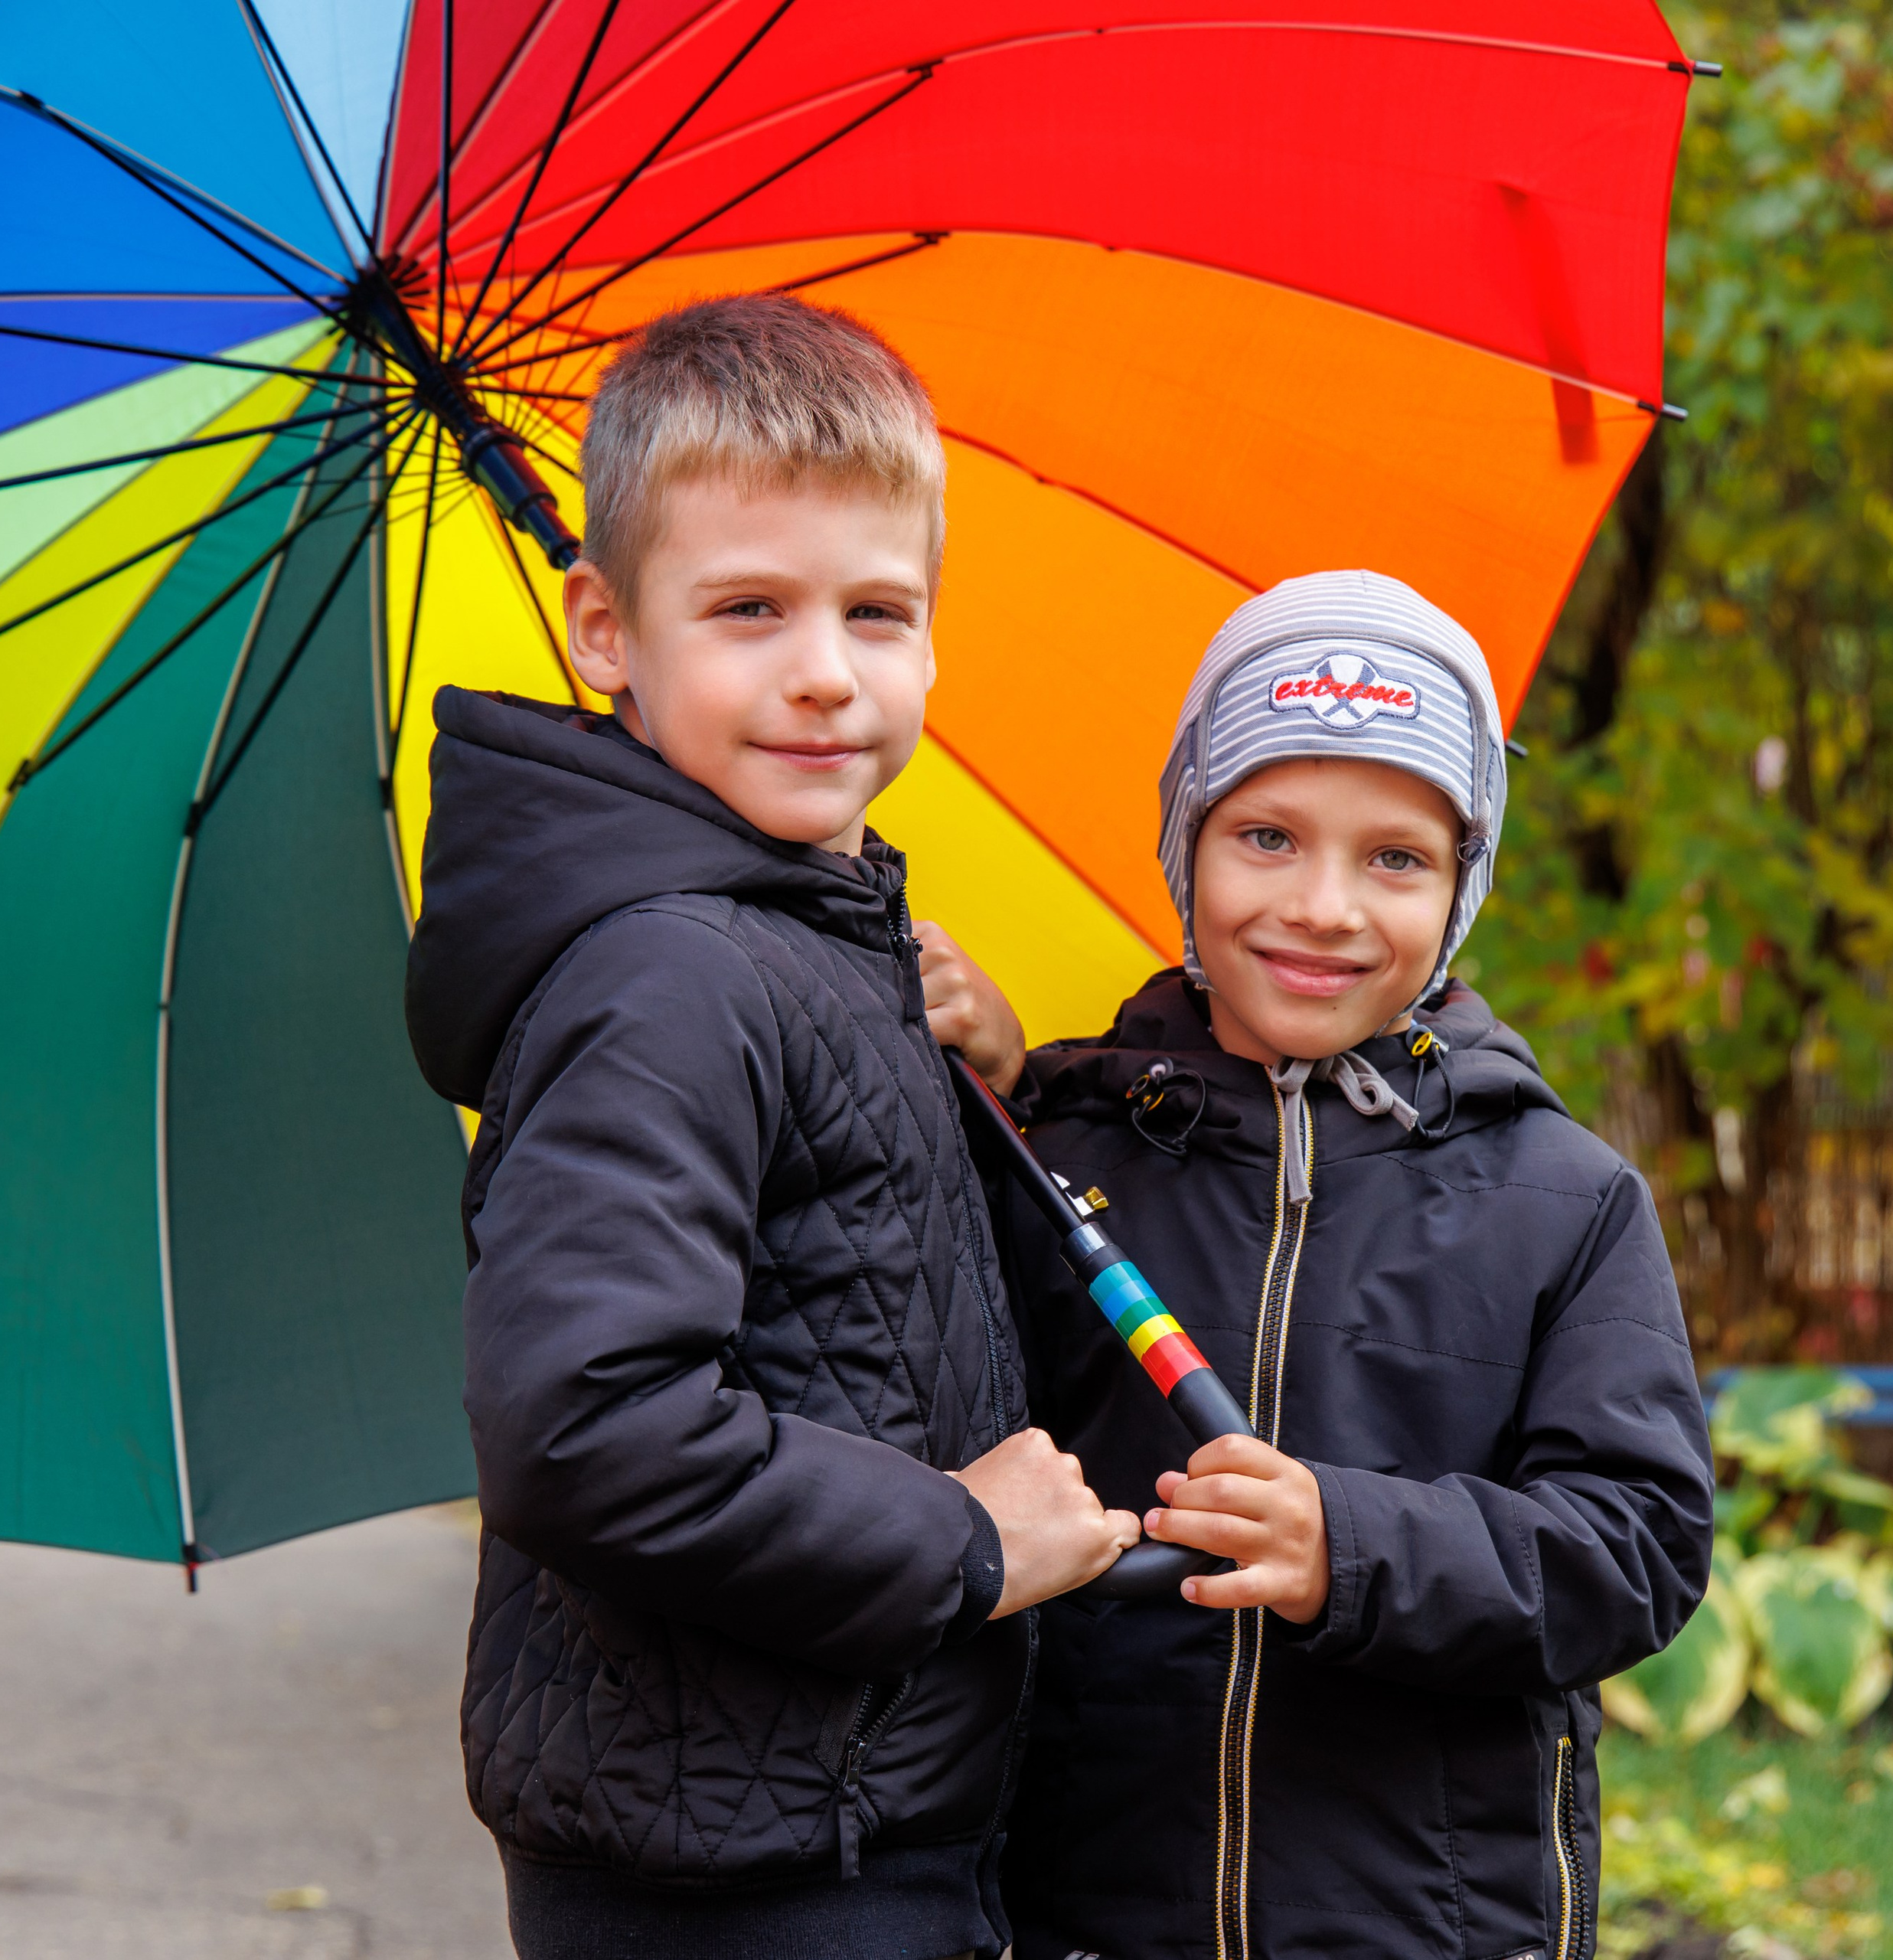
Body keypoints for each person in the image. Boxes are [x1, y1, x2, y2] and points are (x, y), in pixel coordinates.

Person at [403, 293, 1137, 1960]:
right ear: (604, 628)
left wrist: (984, 1080)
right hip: (749, 1873)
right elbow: (588, 1428)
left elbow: (857, 1300)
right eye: (746, 608)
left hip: (833, 1820)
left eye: (877, 611)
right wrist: (961, 1537)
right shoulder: (670, 971)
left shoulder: (798, 935)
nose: (824, 674)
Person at [991, 571, 1715, 1960]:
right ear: (1185, 846)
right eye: (1266, 835)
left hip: (1422, 1923)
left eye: (1396, 859)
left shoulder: (1564, 1199)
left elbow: (1638, 1546)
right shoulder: (1053, 1155)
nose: (1323, 907)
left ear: (1462, 890)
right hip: (1084, 1911)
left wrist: (1354, 1548)